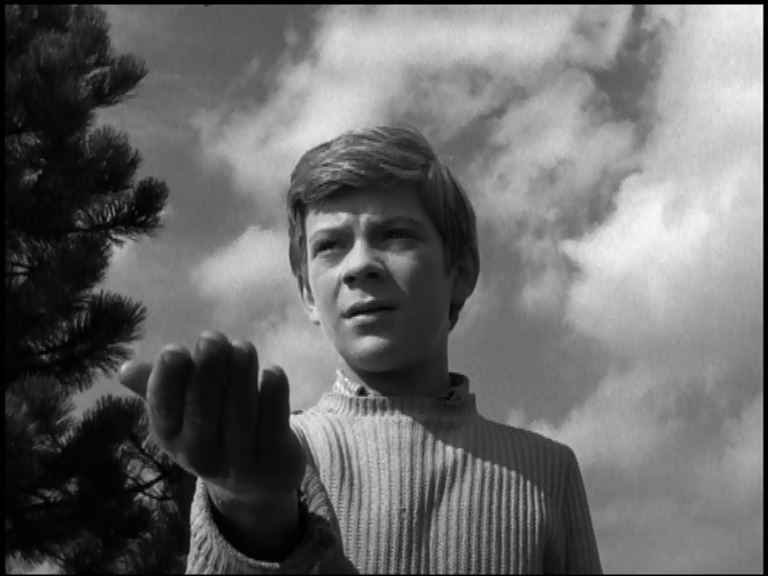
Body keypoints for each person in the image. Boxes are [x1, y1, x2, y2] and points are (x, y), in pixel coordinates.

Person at [119, 125, 603, 574]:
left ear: (461, 272)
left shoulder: (546, 471)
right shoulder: (260, 448)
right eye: (330, 245)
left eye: (396, 235)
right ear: (308, 293)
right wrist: (251, 511)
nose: (359, 265)